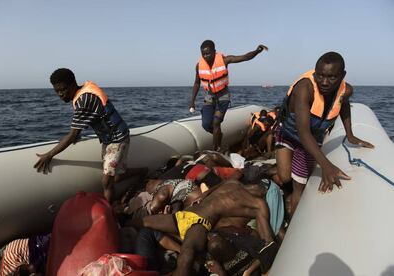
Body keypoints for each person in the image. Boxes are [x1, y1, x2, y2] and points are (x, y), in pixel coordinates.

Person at [275, 52, 374, 217]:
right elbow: (303, 132)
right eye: (320, 76)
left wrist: (350, 135)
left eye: (332, 77)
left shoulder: (346, 90)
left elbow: (343, 105)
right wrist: (326, 165)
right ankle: (277, 176)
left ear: (342, 75)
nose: (325, 82)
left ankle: (293, 221)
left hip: (310, 141)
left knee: (299, 184)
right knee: (285, 178)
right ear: (314, 72)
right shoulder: (304, 89)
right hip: (289, 134)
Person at [34, 68, 146, 204]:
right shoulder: (82, 93)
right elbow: (85, 123)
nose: (61, 94)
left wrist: (49, 155)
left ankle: (109, 213)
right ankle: (143, 171)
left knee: (106, 181)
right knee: (113, 177)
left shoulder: (84, 100)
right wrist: (76, 135)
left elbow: (72, 134)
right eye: (57, 91)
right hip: (109, 139)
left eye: (63, 89)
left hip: (117, 139)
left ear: (73, 84)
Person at [133, 179, 275, 276]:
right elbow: (267, 243)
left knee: (186, 252)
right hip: (189, 217)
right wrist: (206, 193)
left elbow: (267, 244)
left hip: (196, 220)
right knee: (144, 222)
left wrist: (204, 196)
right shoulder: (247, 196)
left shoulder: (243, 193)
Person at [190, 40, 268, 151]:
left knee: (216, 122)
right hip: (209, 96)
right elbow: (197, 83)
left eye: (208, 53)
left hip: (223, 96)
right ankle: (218, 135)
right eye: (203, 54)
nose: (206, 56)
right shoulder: (199, 66)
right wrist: (192, 101)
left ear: (214, 51)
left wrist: (257, 51)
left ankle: (216, 149)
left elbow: (245, 57)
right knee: (206, 124)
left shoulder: (225, 60)